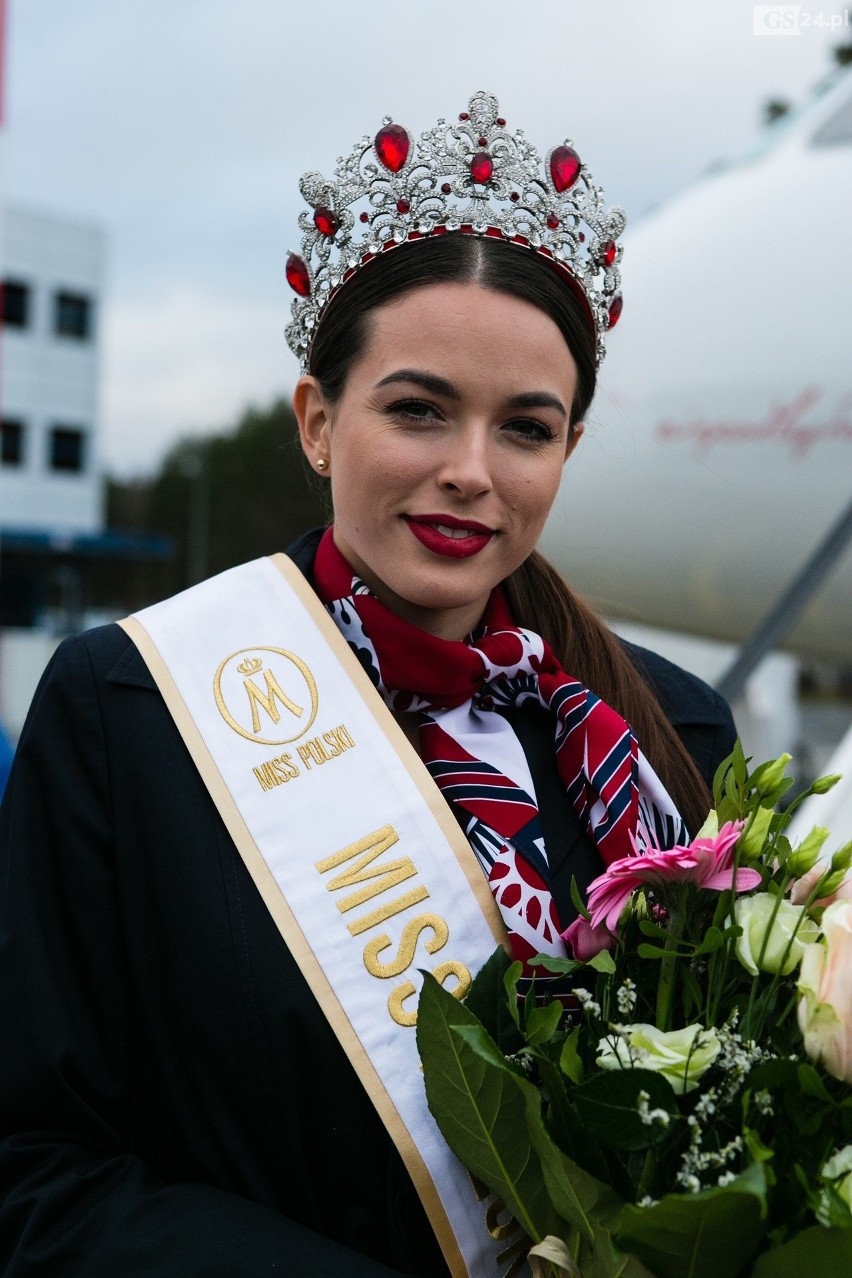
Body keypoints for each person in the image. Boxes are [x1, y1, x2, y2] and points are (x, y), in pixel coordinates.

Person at [0, 92, 735, 1277]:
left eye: (526, 429)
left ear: (569, 452)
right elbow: (36, 1170)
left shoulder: (665, 732)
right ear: (317, 422)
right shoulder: (129, 715)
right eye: (418, 410)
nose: (469, 473)